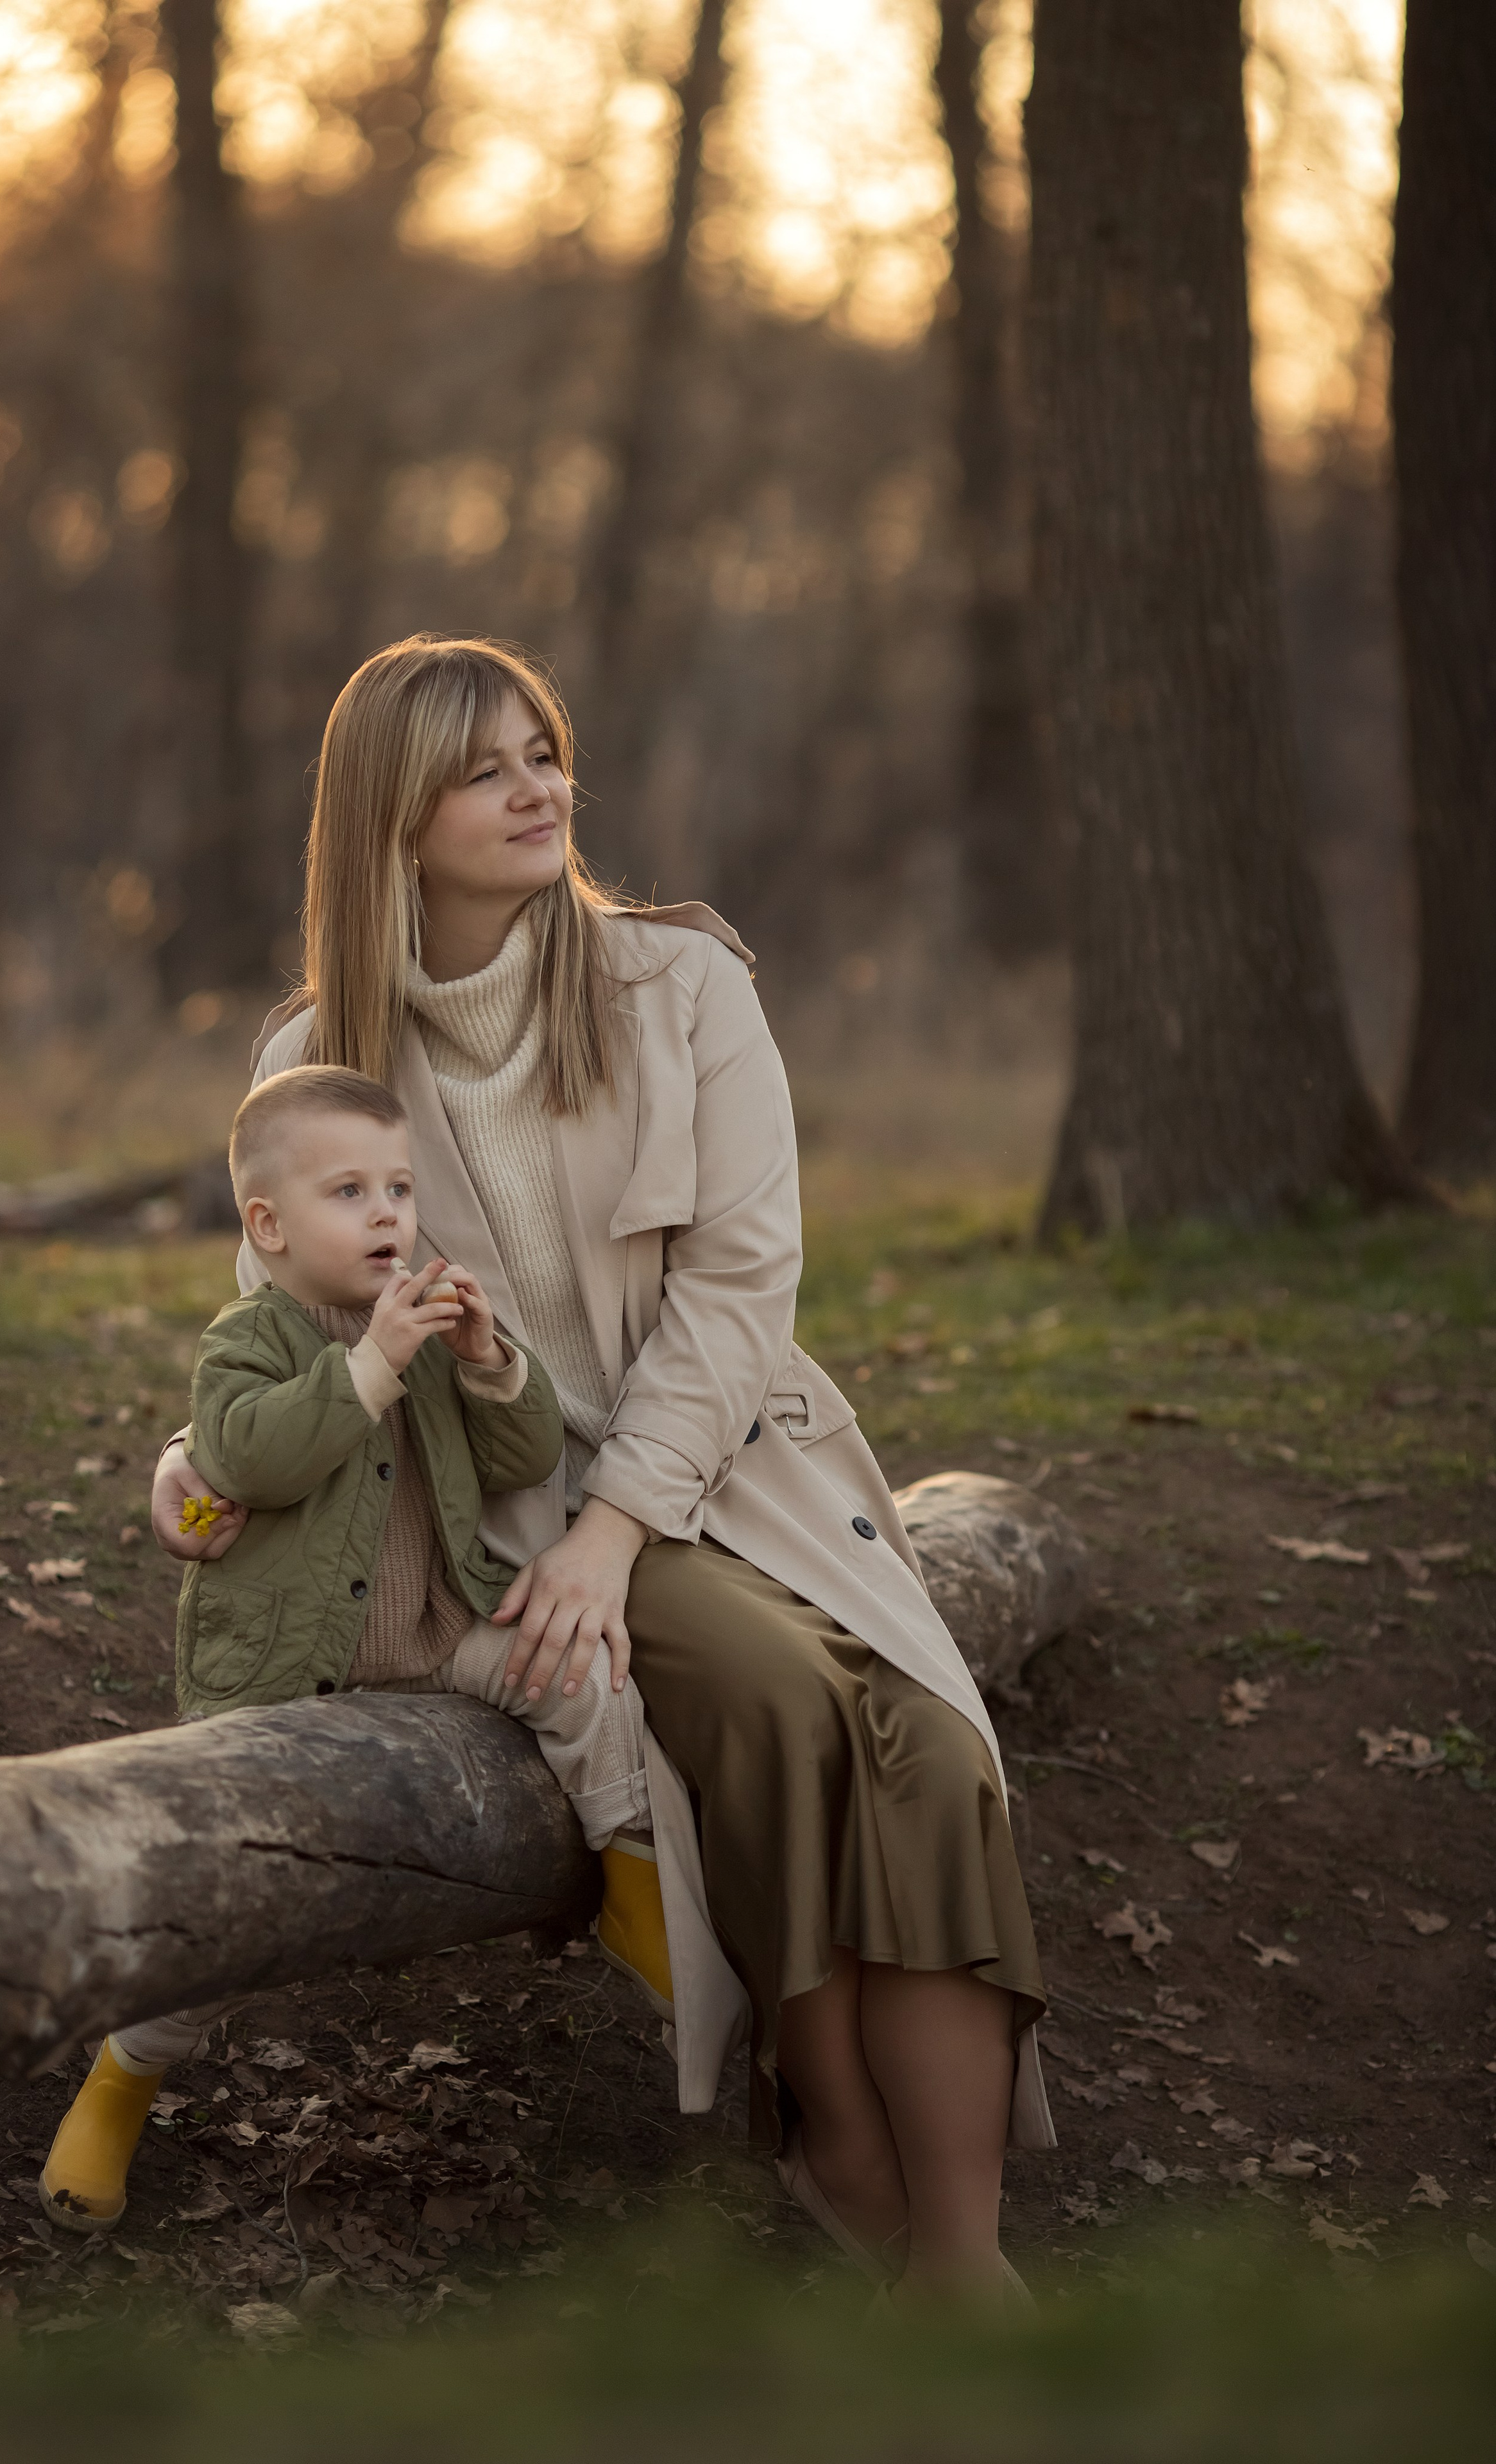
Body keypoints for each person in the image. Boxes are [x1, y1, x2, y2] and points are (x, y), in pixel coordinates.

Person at [152, 635, 1054, 2302]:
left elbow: (739, 1284)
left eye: (545, 752)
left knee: (927, 1733)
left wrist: (623, 1530)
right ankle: (837, 2135)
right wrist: (193, 1465)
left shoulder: (683, 985)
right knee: (784, 1703)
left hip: (723, 1474)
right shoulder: (312, 1050)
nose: (537, 786)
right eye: (485, 766)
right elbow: (279, 1323)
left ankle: (969, 2246)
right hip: (502, 1517)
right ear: (390, 816)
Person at [38, 1061, 669, 2234]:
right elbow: (250, 1459)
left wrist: (489, 1364)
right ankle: (127, 2076)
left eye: (399, 1187)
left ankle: (633, 1883)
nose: (388, 1214)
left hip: (434, 1631)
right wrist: (374, 1363)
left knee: (583, 1673)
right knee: (239, 1892)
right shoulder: (252, 1340)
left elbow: (524, 1460)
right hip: (287, 1669)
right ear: (267, 1226)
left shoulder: (426, 1328)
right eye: (350, 1192)